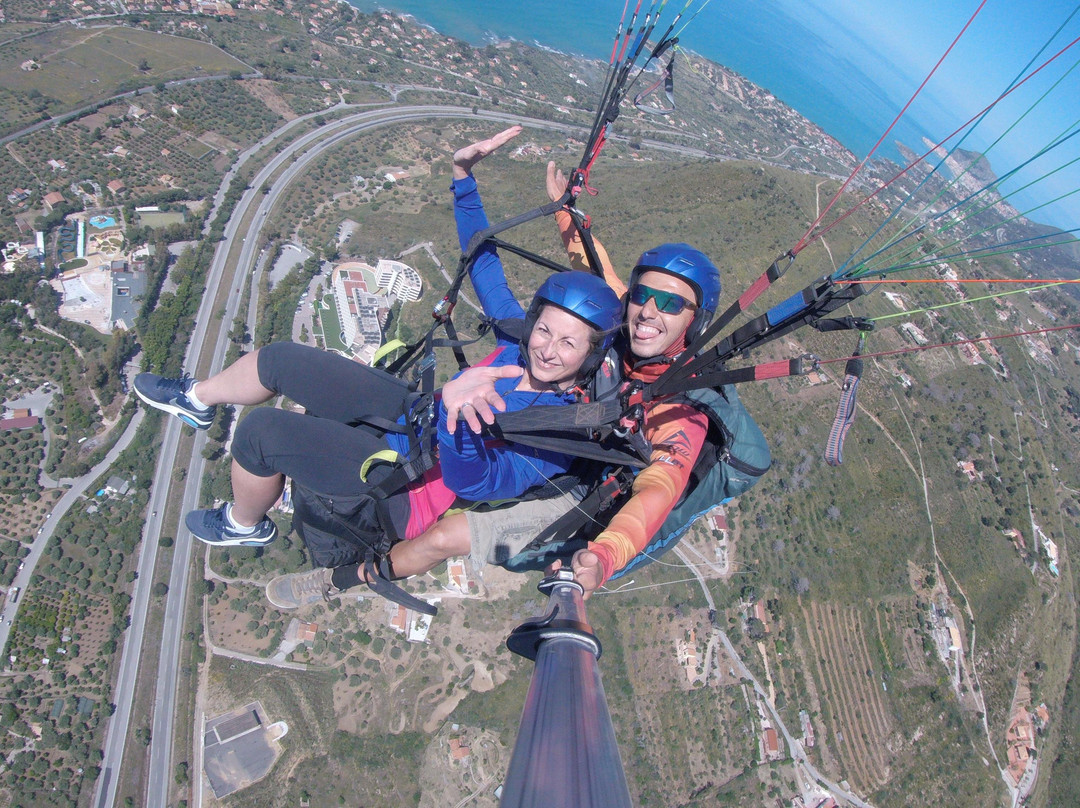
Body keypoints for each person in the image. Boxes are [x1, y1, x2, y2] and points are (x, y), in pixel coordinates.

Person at [267, 126, 728, 607]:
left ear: (694, 322)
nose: (651, 312)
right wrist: (482, 185)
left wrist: (607, 555)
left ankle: (341, 580)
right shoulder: (614, 318)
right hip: (543, 419)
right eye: (644, 296)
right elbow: (581, 269)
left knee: (447, 536)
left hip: (581, 475)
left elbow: (660, 488)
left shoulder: (679, 405)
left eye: (671, 305)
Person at [134, 182, 621, 600]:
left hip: (405, 486)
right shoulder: (517, 345)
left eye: (569, 343)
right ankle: (196, 400)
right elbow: (485, 266)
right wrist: (464, 181)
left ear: (591, 356)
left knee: (260, 433)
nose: (548, 349)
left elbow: (476, 483)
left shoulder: (555, 432)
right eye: (545, 331)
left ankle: (243, 525)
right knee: (281, 359)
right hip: (412, 419)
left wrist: (455, 416)